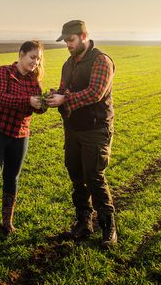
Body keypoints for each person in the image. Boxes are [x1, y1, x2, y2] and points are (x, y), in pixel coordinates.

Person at [46, 20, 118, 248]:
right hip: (73, 129)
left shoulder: (101, 60)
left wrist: (65, 99)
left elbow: (95, 93)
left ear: (84, 35)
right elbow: (66, 90)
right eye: (65, 40)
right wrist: (53, 96)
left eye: (71, 39)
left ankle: (108, 229)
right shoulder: (68, 64)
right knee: (77, 177)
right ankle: (83, 223)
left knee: (94, 178)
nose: (67, 44)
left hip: (96, 130)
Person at [0, 40, 46, 244]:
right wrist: (27, 101)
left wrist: (44, 103)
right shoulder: (4, 72)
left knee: (12, 178)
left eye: (38, 59)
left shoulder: (34, 81)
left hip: (20, 134)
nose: (35, 62)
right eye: (32, 57)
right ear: (21, 54)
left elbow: (37, 109)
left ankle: (7, 222)